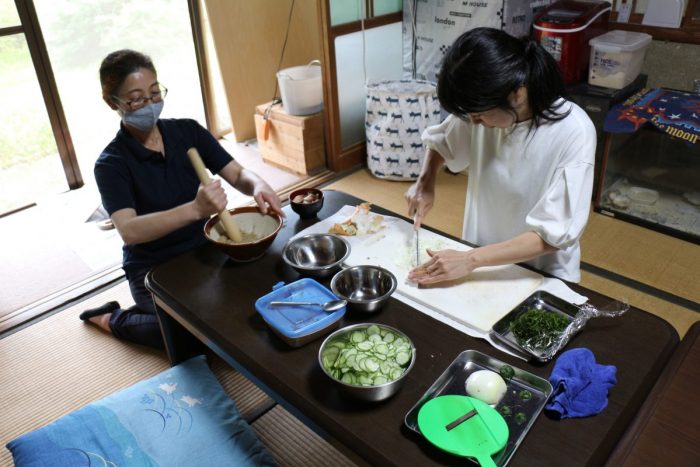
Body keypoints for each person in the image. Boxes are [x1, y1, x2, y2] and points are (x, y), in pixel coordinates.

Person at [80, 49, 284, 349]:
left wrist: (258, 185)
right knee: (195, 337)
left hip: (206, 250)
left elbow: (238, 175)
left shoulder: (187, 131)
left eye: (154, 93)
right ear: (113, 102)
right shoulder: (111, 164)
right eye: (136, 99)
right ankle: (115, 319)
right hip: (154, 267)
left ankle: (177, 314)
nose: (149, 104)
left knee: (269, 292)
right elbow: (130, 229)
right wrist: (195, 208)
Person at [405, 28, 595, 285]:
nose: (472, 122)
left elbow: (551, 235)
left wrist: (470, 259)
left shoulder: (573, 132)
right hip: (478, 262)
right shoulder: (485, 107)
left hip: (541, 275)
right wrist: (425, 182)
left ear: (517, 94)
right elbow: (442, 141)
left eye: (479, 115)